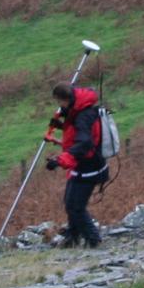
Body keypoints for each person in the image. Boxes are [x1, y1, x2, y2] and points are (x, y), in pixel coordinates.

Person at [46, 82, 108, 248]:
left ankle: (94, 240)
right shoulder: (78, 110)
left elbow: (83, 144)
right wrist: (60, 125)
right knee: (70, 203)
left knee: (76, 207)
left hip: (89, 168)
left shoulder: (83, 116)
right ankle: (73, 237)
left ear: (66, 99)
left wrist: (60, 160)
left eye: (60, 103)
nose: (59, 107)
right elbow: (74, 133)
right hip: (82, 166)